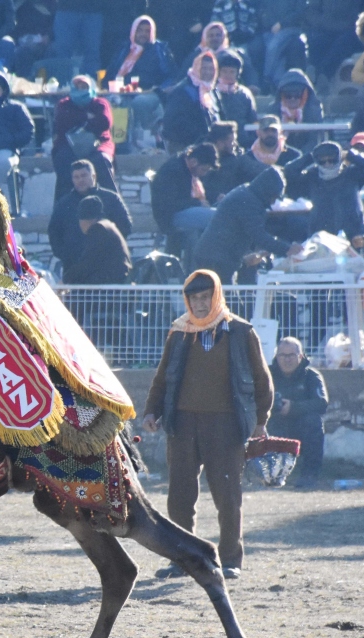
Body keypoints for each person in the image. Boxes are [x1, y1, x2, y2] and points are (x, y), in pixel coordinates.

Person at [143, 270, 274, 580]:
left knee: (227, 495)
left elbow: (262, 379)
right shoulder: (179, 332)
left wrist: (261, 421)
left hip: (225, 425)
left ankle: (229, 560)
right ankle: (182, 560)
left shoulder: (240, 332)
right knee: (179, 496)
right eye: (194, 298)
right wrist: (151, 411)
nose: (200, 304)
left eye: (205, 297)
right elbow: (163, 377)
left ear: (216, 297)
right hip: (182, 424)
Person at [192, 167, 304, 283]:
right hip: (216, 259)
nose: (273, 202)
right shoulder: (249, 202)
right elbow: (258, 235)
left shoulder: (246, 194)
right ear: (267, 192)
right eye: (274, 197)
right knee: (222, 293)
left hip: (215, 256)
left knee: (226, 293)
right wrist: (287, 249)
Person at [48, 159, 132, 271]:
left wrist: (110, 250)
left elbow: (125, 226)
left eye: (84, 175)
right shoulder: (64, 204)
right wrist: (66, 256)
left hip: (107, 266)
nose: (80, 180)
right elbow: (54, 232)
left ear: (93, 176)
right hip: (75, 267)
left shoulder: (111, 199)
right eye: (76, 177)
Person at [266, 337, 327, 487]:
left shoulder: (311, 376)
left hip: (301, 426)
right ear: (276, 356)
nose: (287, 360)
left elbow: (321, 403)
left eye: (291, 355)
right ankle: (267, 474)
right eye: (282, 355)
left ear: (300, 356)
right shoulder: (267, 375)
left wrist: (293, 408)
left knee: (313, 421)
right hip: (274, 424)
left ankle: (309, 475)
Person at [110, 16, 175, 150]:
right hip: (124, 92)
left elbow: (171, 75)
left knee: (138, 103)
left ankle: (136, 142)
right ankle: (119, 144)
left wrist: (160, 89)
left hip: (151, 92)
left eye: (147, 31)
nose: (143, 34)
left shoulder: (160, 49)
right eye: (139, 30)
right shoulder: (124, 49)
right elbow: (111, 72)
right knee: (114, 102)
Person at [282, 140, 364, 240]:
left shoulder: (352, 174)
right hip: (321, 233)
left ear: (339, 158)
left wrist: (350, 155)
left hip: (353, 232)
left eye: (332, 159)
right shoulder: (312, 176)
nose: (327, 164)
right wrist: (310, 156)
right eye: (322, 160)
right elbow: (289, 171)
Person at [51, 74, 116, 200]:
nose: (80, 90)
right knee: (64, 160)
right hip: (69, 144)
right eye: (78, 87)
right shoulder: (64, 104)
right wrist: (86, 116)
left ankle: (111, 202)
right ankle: (64, 204)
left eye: (84, 87)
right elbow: (61, 123)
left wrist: (78, 121)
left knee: (101, 160)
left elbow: (104, 122)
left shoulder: (100, 103)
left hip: (98, 143)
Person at [150, 143, 219, 258]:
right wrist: (198, 203)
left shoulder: (188, 169)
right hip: (171, 216)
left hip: (185, 210)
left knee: (221, 211)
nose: (204, 174)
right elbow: (169, 204)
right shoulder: (174, 170)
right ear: (193, 162)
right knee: (217, 216)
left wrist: (215, 197)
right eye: (203, 170)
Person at [62, 195, 132, 285]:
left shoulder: (98, 229)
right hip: (119, 281)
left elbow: (87, 262)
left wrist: (65, 280)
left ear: (84, 220)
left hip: (112, 284)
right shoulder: (107, 225)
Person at [163, 51, 219, 152]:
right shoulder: (182, 91)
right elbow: (174, 123)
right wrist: (201, 139)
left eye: (211, 69)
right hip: (184, 147)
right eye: (204, 68)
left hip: (207, 146)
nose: (208, 72)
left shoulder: (212, 92)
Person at [50, 3, 104, 81]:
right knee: (62, 55)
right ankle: (62, 85)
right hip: (66, 9)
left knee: (92, 53)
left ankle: (91, 85)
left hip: (93, 10)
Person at [215, 51, 257, 149]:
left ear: (238, 73)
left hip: (242, 142)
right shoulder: (211, 92)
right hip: (218, 143)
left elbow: (253, 120)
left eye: (232, 72)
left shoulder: (245, 94)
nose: (228, 75)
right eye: (224, 71)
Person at [275, 69, 324, 152]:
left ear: (306, 94)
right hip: (281, 154)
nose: (292, 99)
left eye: (297, 95)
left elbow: (315, 140)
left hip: (308, 155)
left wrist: (301, 156)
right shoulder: (274, 111)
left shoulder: (314, 110)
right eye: (288, 95)